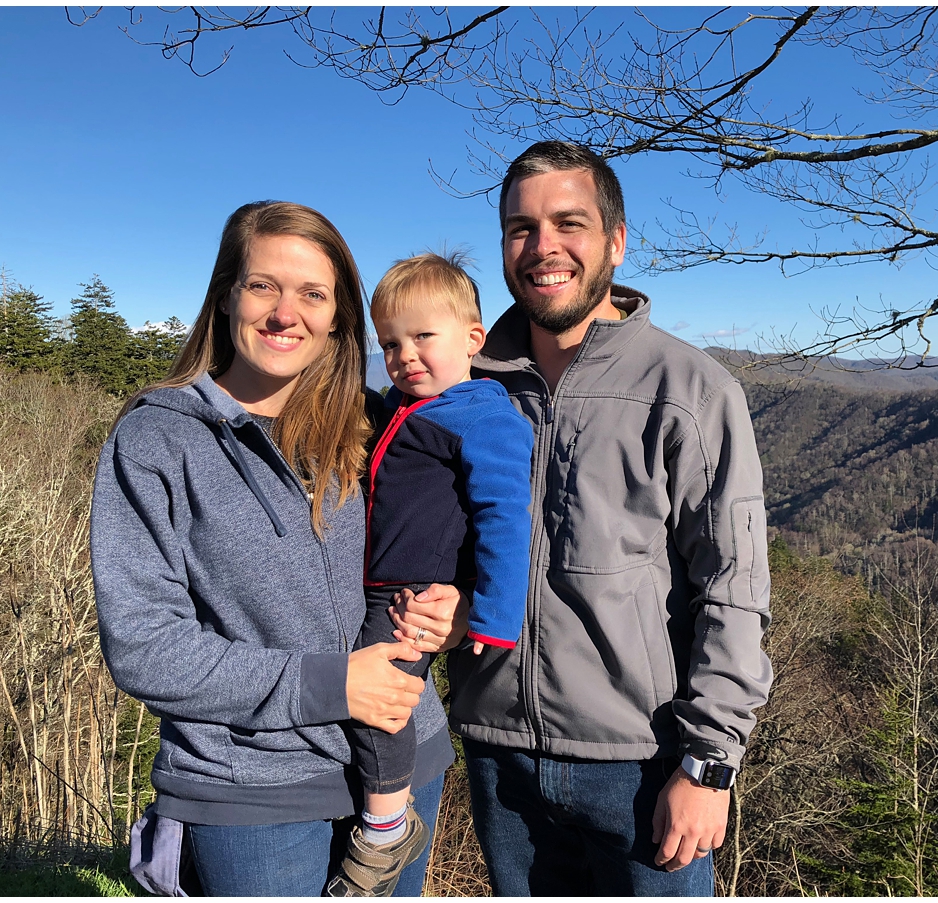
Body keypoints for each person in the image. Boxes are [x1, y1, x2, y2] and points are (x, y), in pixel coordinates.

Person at [91, 201, 465, 897]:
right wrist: (330, 684)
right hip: (249, 789)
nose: (284, 311)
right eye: (263, 284)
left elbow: (447, 536)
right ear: (227, 294)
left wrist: (456, 608)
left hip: (405, 755)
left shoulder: (379, 421)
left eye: (312, 293)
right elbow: (143, 644)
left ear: (338, 317)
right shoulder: (156, 439)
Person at [447, 141, 775, 896]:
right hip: (498, 756)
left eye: (569, 223)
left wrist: (709, 763)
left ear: (616, 242)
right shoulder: (464, 385)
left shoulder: (689, 389)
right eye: (520, 228)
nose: (542, 247)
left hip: (643, 764)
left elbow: (736, 589)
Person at [330, 252, 533, 897]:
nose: (405, 356)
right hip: (379, 582)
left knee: (380, 702)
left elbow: (506, 516)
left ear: (474, 340)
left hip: (413, 596)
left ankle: (388, 824)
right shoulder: (406, 404)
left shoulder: (483, 414)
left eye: (424, 337)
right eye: (389, 343)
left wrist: (497, 615)